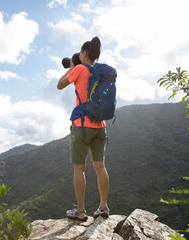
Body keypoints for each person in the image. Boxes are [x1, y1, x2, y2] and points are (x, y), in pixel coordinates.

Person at [57, 36, 110, 221]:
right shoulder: (102, 72)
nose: (78, 55)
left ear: (85, 54)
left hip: (82, 126)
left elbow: (59, 85)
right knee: (100, 166)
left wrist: (72, 67)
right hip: (100, 126)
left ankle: (80, 211)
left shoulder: (79, 69)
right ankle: (103, 207)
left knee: (79, 169)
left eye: (80, 52)